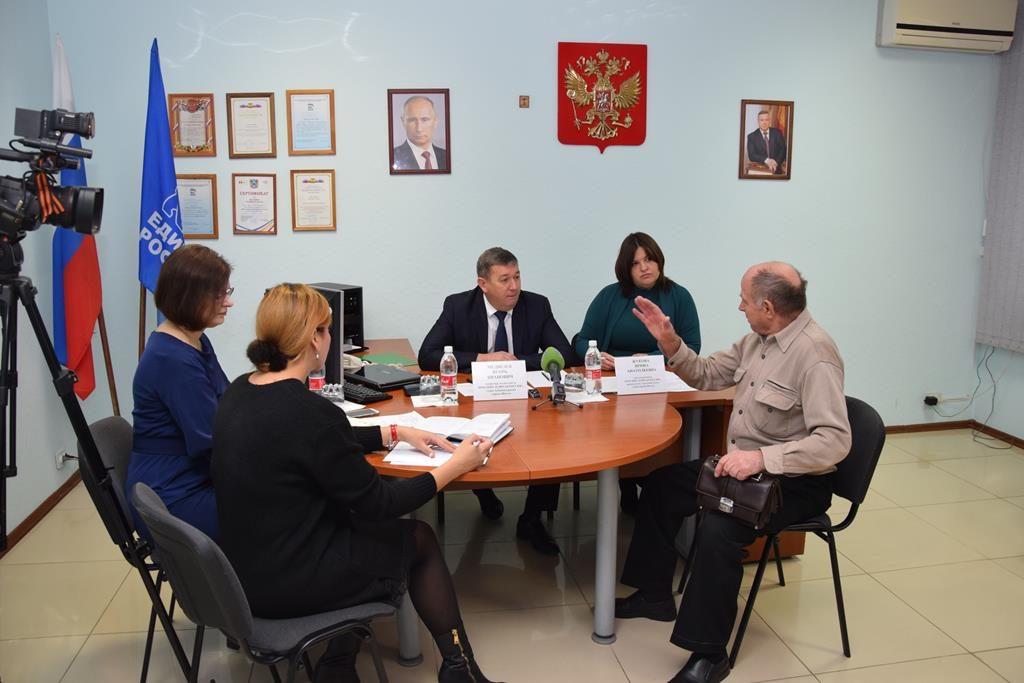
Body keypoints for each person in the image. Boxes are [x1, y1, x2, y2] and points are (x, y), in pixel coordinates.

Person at [212, 284, 501, 683]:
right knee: (417, 538)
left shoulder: (241, 389)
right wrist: (455, 466)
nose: (331, 339)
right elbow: (381, 502)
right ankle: (460, 670)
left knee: (350, 524)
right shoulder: (308, 412)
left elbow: (314, 440)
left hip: (242, 574)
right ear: (314, 338)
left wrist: (393, 432)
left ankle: (338, 662)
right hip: (287, 584)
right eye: (328, 330)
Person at [615, 262, 851, 683]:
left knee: (719, 527)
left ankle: (709, 655)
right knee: (663, 484)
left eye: (745, 300)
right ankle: (654, 595)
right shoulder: (757, 340)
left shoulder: (816, 355)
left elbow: (834, 441)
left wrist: (761, 459)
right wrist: (669, 341)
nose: (740, 306)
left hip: (795, 482)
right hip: (743, 470)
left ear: (767, 306)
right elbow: (707, 375)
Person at [419, 247, 575, 556]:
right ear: (483, 284)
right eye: (504, 279)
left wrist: (514, 362)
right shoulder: (458, 306)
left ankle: (532, 519)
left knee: (551, 440)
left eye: (517, 277)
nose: (514, 287)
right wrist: (483, 358)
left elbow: (565, 353)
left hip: (524, 396)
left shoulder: (537, 305)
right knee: (469, 434)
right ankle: (483, 491)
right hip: (475, 399)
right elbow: (428, 355)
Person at [574, 232, 701, 515]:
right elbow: (581, 341)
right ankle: (626, 482)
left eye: (649, 259)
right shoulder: (609, 296)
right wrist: (597, 356)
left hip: (658, 381)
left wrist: (654, 358)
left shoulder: (679, 296)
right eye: (635, 263)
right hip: (613, 383)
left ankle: (651, 480)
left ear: (659, 261)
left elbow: (692, 346)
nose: (644, 267)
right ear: (625, 268)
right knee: (618, 426)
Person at [125, 244, 233, 539]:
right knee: (280, 514)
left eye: (227, 291)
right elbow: (210, 441)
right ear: (190, 297)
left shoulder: (195, 341)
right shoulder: (172, 358)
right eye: (220, 294)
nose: (229, 302)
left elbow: (225, 401)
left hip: (192, 476)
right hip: (173, 493)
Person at [392, 95, 448, 171]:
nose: (419, 129)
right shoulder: (393, 156)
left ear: (435, 121)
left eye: (425, 120)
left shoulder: (447, 156)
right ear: (403, 122)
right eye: (412, 120)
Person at [746, 110, 787, 175]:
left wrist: (775, 162)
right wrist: (767, 160)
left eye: (766, 120)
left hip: (777, 170)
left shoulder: (777, 133)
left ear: (769, 121)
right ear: (758, 121)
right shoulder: (751, 136)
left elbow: (783, 150)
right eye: (762, 120)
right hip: (760, 171)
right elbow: (752, 155)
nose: (764, 123)